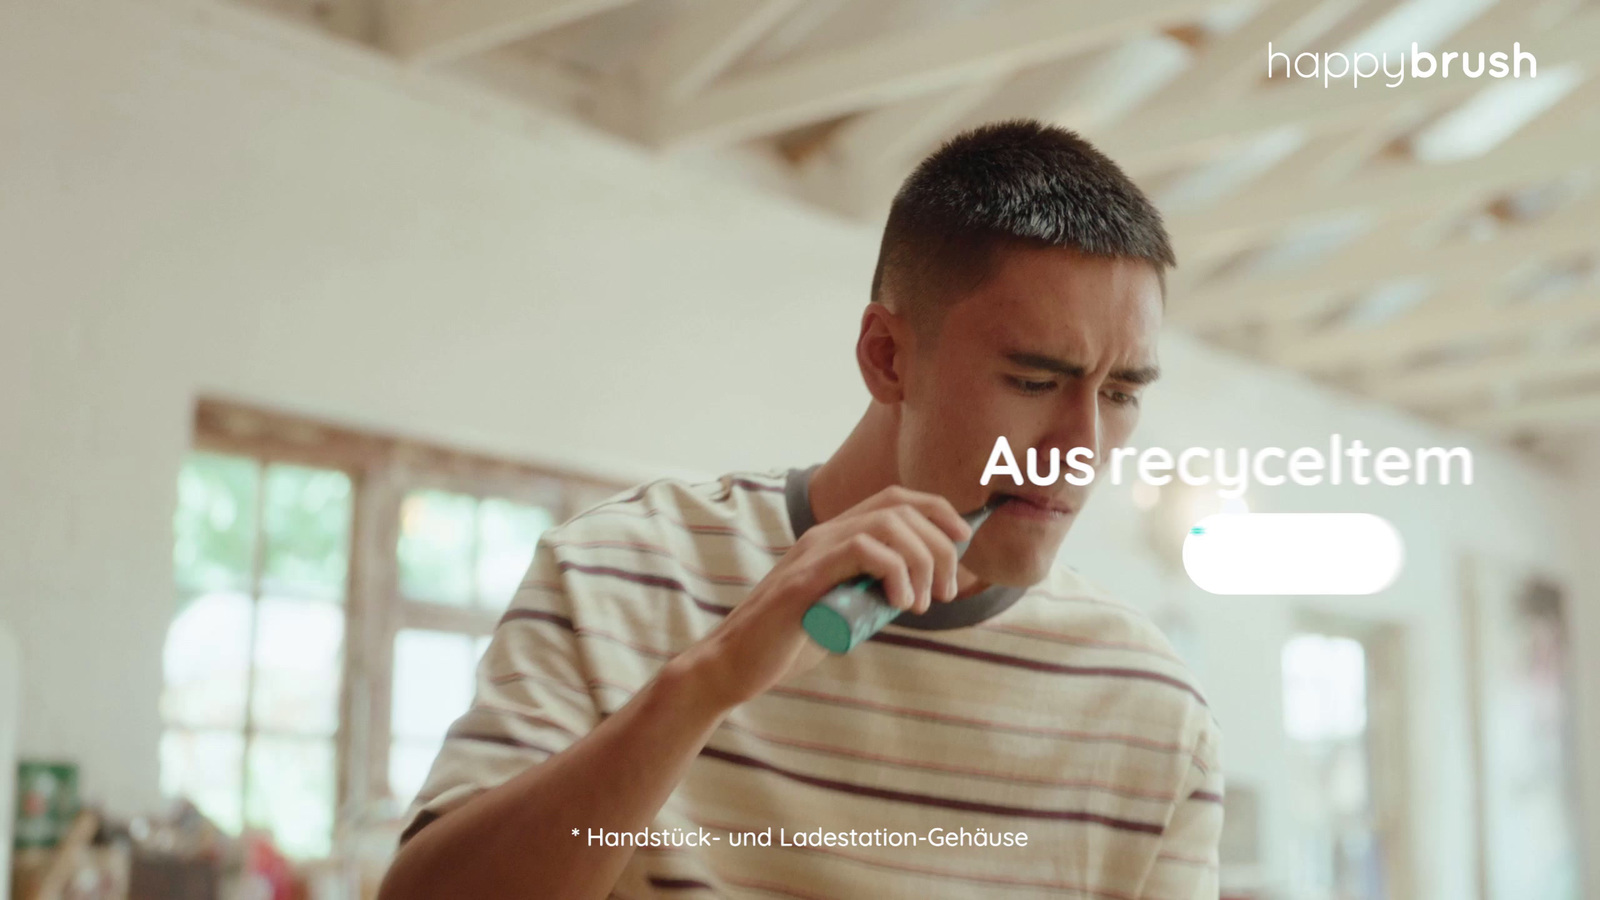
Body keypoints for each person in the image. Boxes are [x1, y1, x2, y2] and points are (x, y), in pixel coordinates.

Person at [378, 119, 1224, 899]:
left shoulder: (1154, 710)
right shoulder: (616, 574)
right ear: (888, 356)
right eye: (1035, 382)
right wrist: (707, 682)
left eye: (1119, 394)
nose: (1079, 447)